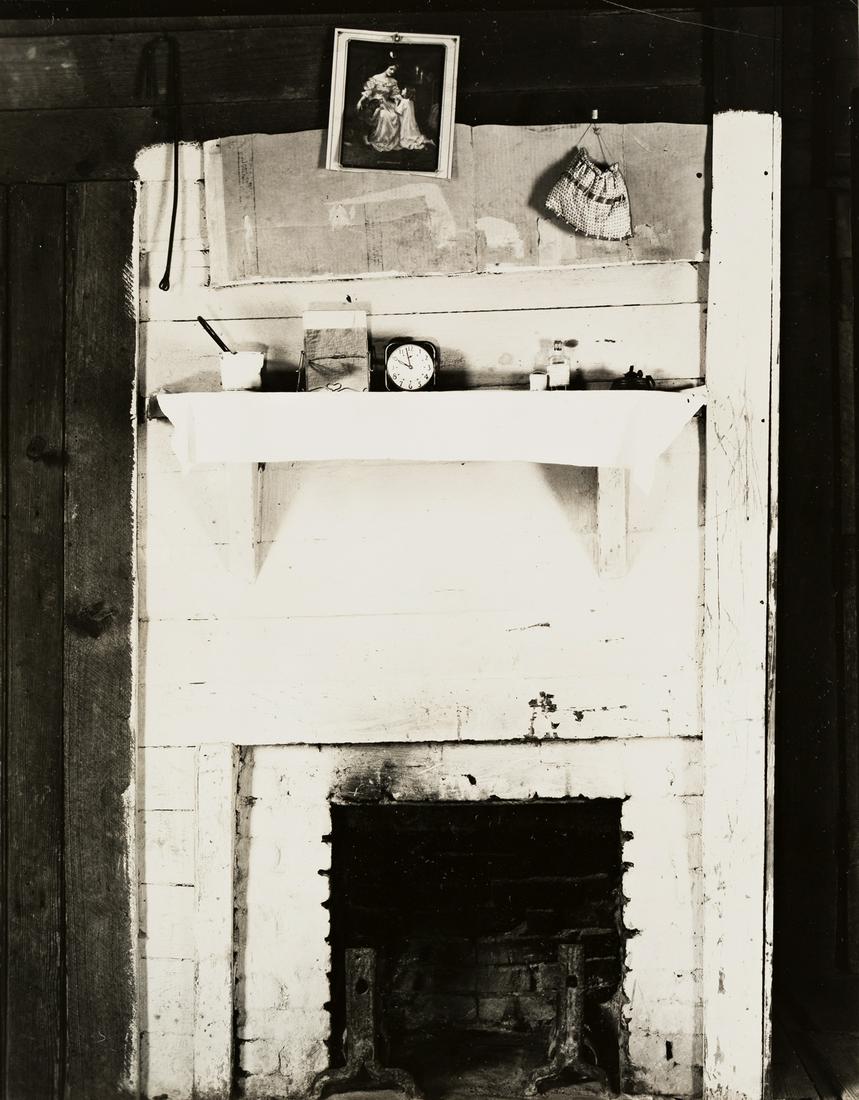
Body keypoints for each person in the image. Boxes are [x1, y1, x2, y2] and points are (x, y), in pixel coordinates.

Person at [355, 64, 401, 153]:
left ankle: (387, 139)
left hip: (387, 103)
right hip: (374, 102)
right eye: (391, 69)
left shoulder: (393, 81)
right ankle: (377, 138)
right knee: (384, 115)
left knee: (395, 115)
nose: (392, 72)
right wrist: (360, 101)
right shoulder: (375, 78)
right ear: (386, 67)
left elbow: (395, 94)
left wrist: (399, 100)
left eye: (394, 70)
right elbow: (368, 91)